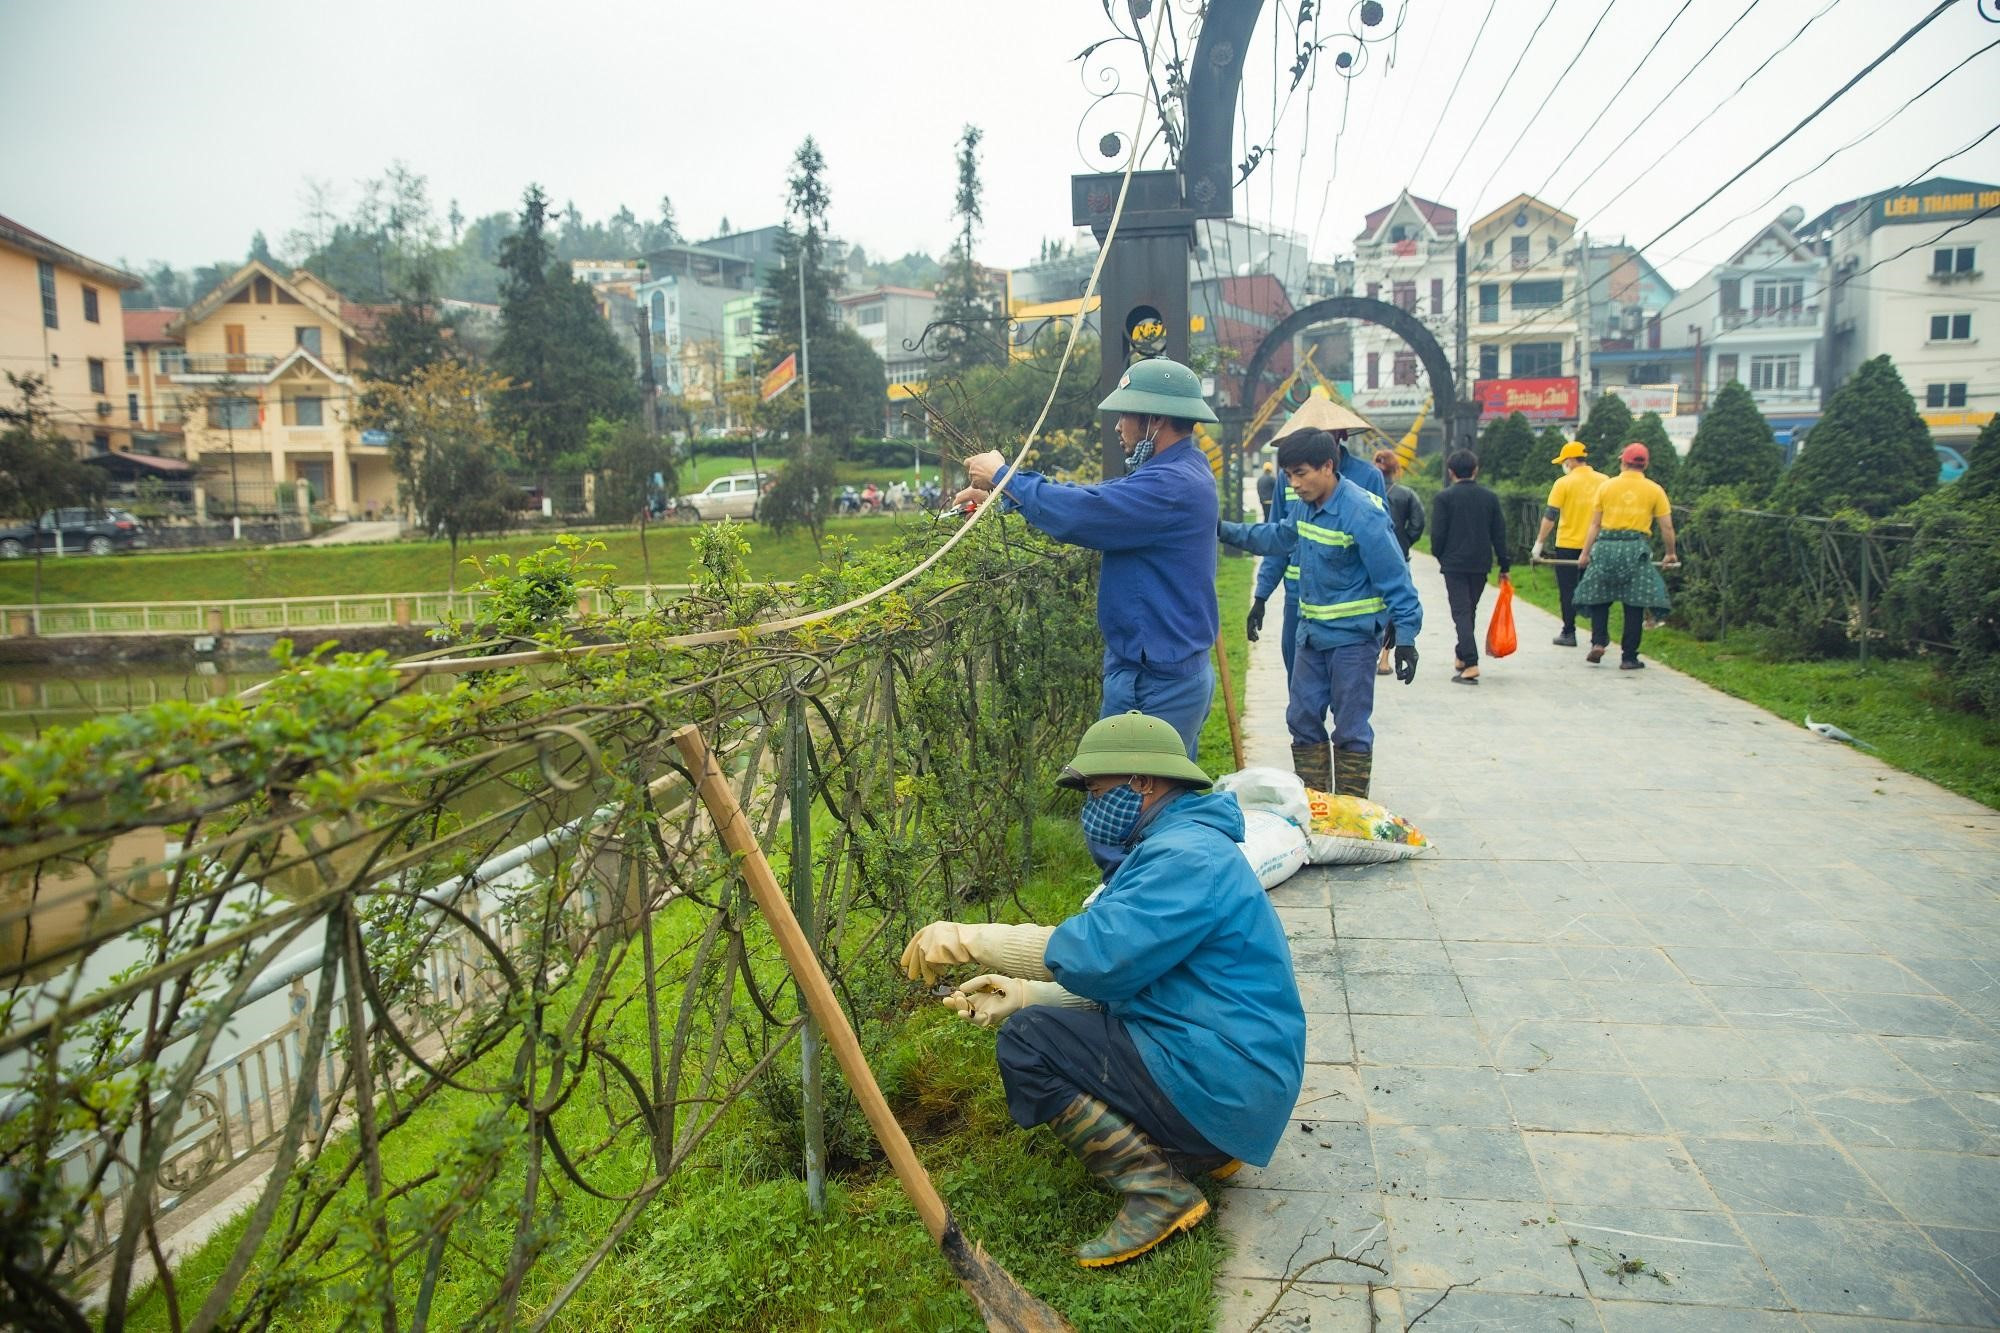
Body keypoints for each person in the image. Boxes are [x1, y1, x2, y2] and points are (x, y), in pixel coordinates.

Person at [899, 712, 1304, 1269]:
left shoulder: (1186, 858)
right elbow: (1142, 981)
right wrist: (1028, 995)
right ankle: (1205, 1149)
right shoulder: (1177, 844)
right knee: (1034, 1021)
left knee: (1030, 1041)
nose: (1090, 807)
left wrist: (972, 939)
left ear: (1143, 782)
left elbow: (1098, 955)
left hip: (1228, 1080)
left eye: (1095, 791)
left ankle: (1159, 1192)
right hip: (1231, 1070)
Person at [954, 357, 1220, 761]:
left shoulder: (1171, 485)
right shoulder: (1177, 472)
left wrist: (1004, 475)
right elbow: (1094, 497)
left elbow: (1082, 513)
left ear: (1155, 420)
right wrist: (1005, 493)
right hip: (1161, 672)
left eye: (1125, 415)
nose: (1117, 426)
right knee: (1156, 791)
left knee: (1128, 796)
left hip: (1155, 683)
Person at [1219, 429, 1421, 797]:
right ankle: (1315, 805)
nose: (1294, 484)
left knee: (1351, 729)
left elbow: (1396, 578)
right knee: (1301, 718)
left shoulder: (1362, 512)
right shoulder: (1304, 507)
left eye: (1301, 473)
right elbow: (1276, 538)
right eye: (1288, 475)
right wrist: (1222, 530)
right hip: (1310, 636)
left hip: (1353, 641)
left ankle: (1351, 811)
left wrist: (1406, 637)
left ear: (1328, 466)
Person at [1248, 434, 1388, 682]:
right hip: (1300, 600)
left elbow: (1385, 549)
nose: (1296, 482)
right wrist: (1261, 596)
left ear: (1342, 434)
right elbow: (1278, 538)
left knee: (1348, 696)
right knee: (1301, 690)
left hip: (1351, 607)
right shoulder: (1289, 478)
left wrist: (1396, 615)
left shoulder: (1368, 476)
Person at [1576, 442, 1679, 669]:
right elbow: (1667, 527)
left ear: (1623, 462)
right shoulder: (1655, 490)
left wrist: (1585, 553)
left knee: (1600, 597)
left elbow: (1595, 525)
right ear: (1645, 464)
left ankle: (1598, 642)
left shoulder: (1606, 487)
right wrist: (1670, 553)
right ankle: (1629, 657)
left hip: (1605, 547)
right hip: (1635, 549)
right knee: (1635, 603)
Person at [1429, 450, 1511, 685]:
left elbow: (1437, 535)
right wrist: (1504, 564)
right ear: (1476, 470)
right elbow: (1499, 533)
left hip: (1454, 564)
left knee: (1462, 612)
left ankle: (1471, 663)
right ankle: (1462, 654)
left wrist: (1441, 556)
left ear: (1450, 472)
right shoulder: (1489, 497)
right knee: (1468, 610)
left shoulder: (1444, 498)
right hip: (1480, 563)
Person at [1530, 440, 1605, 647]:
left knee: (1567, 590)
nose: (1564, 465)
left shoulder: (1563, 483)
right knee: (1597, 589)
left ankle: (1569, 632)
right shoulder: (1605, 481)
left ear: (1571, 460)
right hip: (1597, 544)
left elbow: (1550, 516)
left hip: (1567, 544)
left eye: (1564, 461)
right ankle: (1599, 636)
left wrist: (1539, 543)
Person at [1374, 449, 1425, 677]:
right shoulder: (1406, 494)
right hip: (1399, 556)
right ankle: (1385, 657)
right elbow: (1418, 524)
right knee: (1396, 604)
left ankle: (1371, 651)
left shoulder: (1363, 492)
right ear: (1395, 468)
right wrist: (1404, 540)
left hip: (1370, 557)